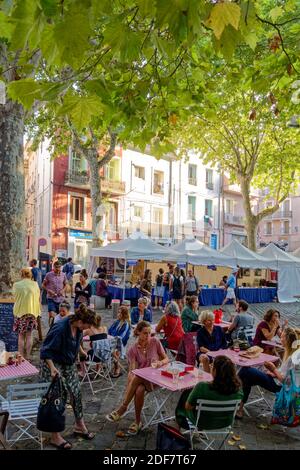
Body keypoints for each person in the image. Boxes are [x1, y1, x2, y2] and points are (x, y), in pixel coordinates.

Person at [40, 304, 96, 449]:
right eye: (86, 326)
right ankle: (55, 436)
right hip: (53, 363)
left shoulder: (78, 327)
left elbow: (76, 341)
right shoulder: (60, 328)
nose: (86, 329)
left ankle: (79, 425)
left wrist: (81, 352)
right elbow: (46, 350)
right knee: (57, 398)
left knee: (76, 392)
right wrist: (52, 369)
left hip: (67, 362)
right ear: (79, 321)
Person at [106, 321, 169, 434]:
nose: (148, 336)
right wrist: (132, 379)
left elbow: (166, 359)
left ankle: (123, 407)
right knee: (139, 388)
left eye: (150, 333)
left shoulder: (155, 341)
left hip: (156, 379)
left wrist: (160, 363)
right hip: (142, 380)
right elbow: (132, 370)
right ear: (138, 332)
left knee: (139, 377)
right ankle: (138, 421)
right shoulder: (133, 349)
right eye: (145, 333)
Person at [237, 326, 300, 419]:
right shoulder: (292, 353)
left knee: (245, 371)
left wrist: (273, 369)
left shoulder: (293, 358)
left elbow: (287, 382)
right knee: (247, 377)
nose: (280, 339)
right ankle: (239, 407)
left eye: (282, 337)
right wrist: (274, 373)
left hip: (281, 388)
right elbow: (285, 374)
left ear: (287, 339)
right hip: (277, 382)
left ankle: (235, 402)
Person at [175, 356, 243, 430]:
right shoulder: (238, 390)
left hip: (201, 423)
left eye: (212, 365)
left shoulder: (202, 387)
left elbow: (188, 407)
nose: (210, 366)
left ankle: (177, 428)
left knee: (184, 397)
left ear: (215, 371)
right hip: (224, 423)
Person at [12, 268, 41, 359]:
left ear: (22, 275)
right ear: (30, 275)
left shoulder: (16, 285)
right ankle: (28, 357)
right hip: (32, 312)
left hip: (20, 312)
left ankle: (21, 357)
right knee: (29, 335)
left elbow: (14, 296)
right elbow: (38, 298)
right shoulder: (35, 284)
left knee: (20, 335)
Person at [108, 306, 131, 377]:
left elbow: (122, 336)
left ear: (124, 314)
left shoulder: (126, 324)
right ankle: (100, 366)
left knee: (113, 351)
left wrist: (112, 338)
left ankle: (117, 367)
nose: (118, 314)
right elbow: (109, 331)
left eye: (119, 313)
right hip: (112, 340)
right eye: (118, 312)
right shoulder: (117, 322)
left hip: (120, 343)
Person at [42, 261, 67, 326]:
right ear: (53, 267)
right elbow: (43, 285)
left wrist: (63, 290)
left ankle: (57, 329)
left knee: (60, 316)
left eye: (59, 267)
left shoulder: (63, 275)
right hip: (51, 298)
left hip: (61, 299)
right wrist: (49, 290)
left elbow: (66, 285)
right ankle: (51, 329)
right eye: (56, 267)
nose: (58, 269)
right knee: (52, 315)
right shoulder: (48, 275)